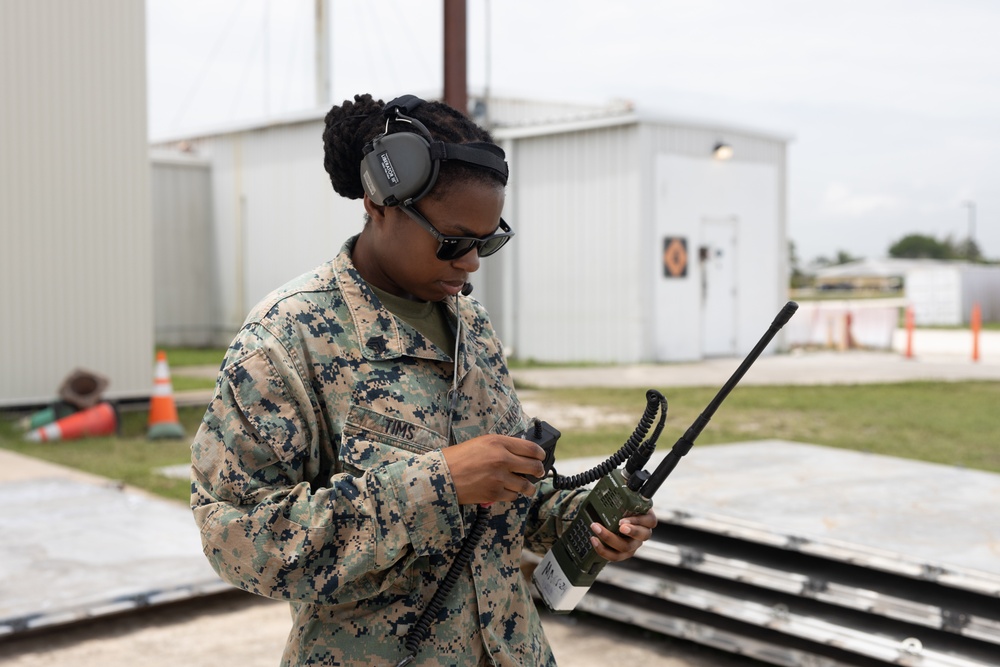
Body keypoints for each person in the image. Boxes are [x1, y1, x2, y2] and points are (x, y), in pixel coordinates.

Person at [190, 93, 657, 667]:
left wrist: (584, 518)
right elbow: (237, 540)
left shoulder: (470, 324)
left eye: (488, 241)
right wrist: (436, 485)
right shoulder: (285, 342)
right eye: (454, 241)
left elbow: (508, 504)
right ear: (380, 202)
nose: (471, 264)